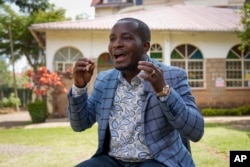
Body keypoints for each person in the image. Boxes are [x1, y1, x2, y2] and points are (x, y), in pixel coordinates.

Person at [67, 17, 204, 167]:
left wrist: (164, 91)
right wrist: (79, 87)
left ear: (145, 47)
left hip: (158, 160)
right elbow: (79, 124)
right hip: (114, 160)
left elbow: (196, 131)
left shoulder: (172, 76)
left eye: (126, 38)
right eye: (112, 39)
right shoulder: (104, 80)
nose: (116, 44)